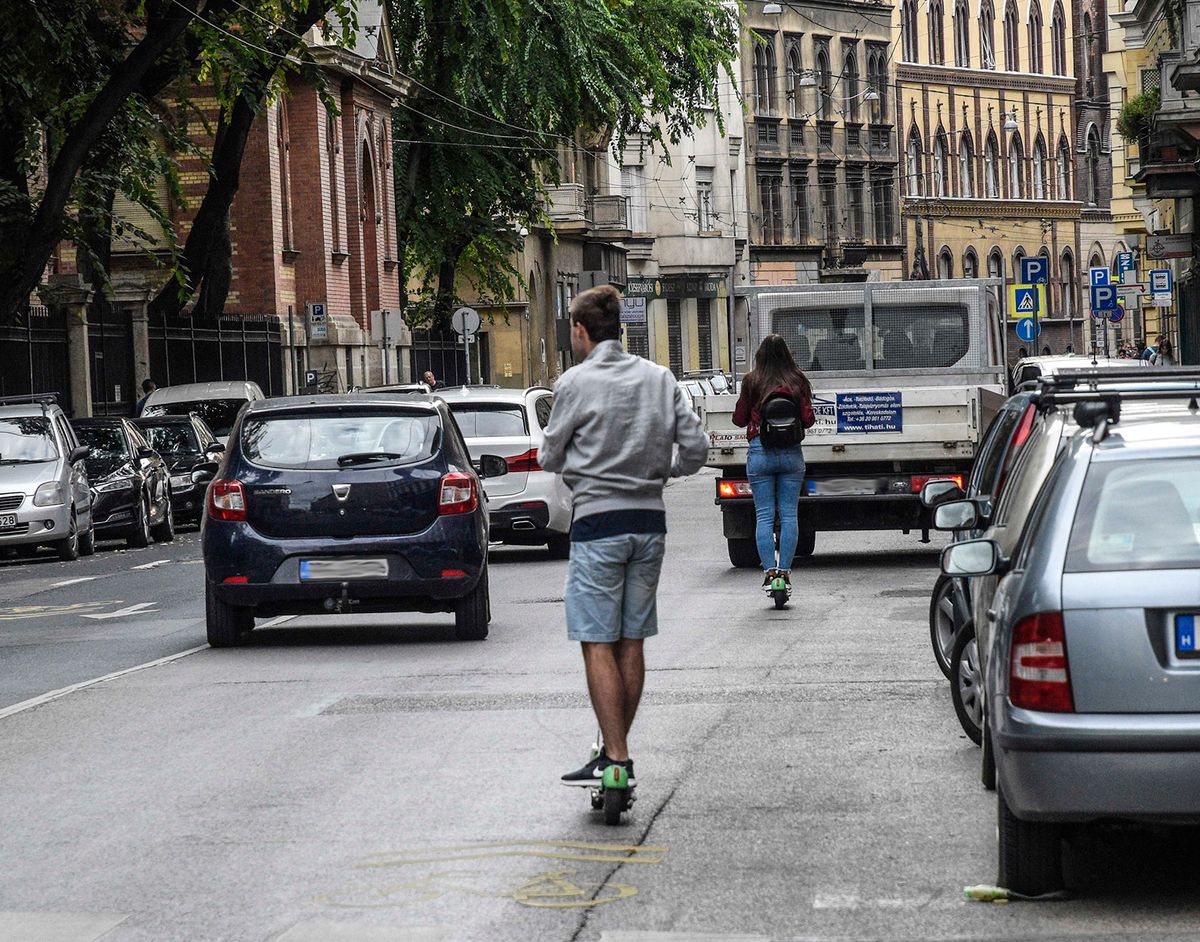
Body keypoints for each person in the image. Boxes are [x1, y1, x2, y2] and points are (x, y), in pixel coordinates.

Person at [539, 284, 708, 788]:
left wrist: (585, 469)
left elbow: (549, 457)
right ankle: (613, 750)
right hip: (648, 522)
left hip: (597, 525)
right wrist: (664, 470)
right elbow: (696, 448)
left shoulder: (574, 383)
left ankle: (615, 757)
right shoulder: (659, 378)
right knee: (632, 639)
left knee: (596, 640)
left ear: (580, 329)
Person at [731, 335, 816, 594]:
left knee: (764, 516)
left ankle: (770, 572)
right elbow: (808, 419)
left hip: (760, 452)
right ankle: (785, 573)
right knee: (789, 515)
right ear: (787, 354)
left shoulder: (752, 380)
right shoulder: (797, 380)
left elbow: (739, 419)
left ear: (760, 355)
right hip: (791, 454)